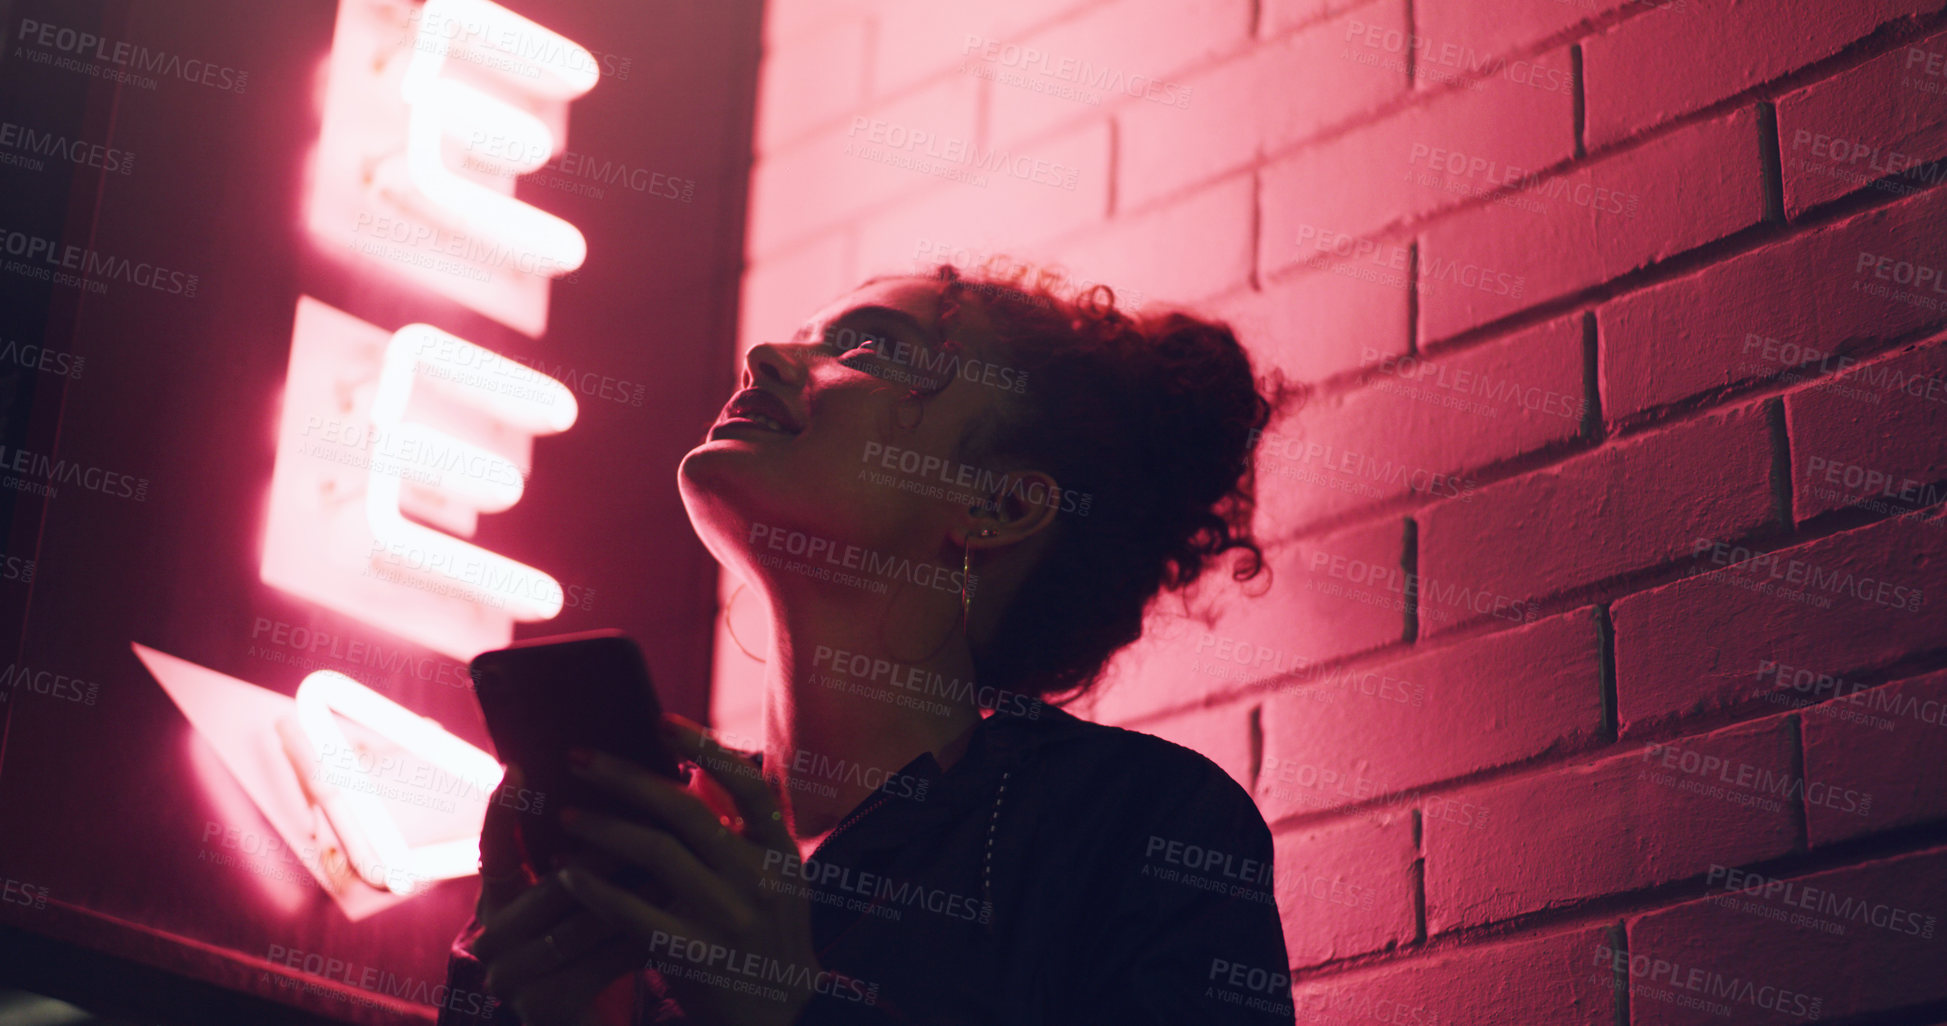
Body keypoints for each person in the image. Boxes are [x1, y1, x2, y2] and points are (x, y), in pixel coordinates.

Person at [440, 260, 1303, 1025]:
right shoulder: (665, 857)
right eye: (804, 339)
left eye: (872, 349)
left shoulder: (1139, 824)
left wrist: (783, 1008)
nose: (766, 359)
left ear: (997, 506)